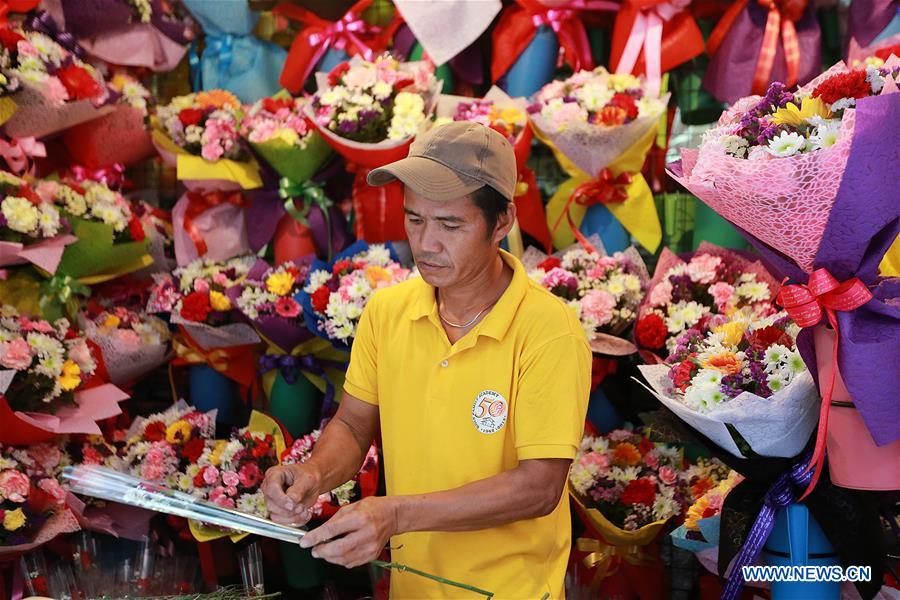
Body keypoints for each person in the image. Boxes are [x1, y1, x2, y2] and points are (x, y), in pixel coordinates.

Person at [262, 122, 591, 598]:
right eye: (414, 219)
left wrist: (396, 513)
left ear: (502, 221)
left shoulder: (547, 330)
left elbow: (539, 487)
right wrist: (313, 474)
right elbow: (353, 425)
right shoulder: (387, 311)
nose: (426, 243)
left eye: (450, 225)